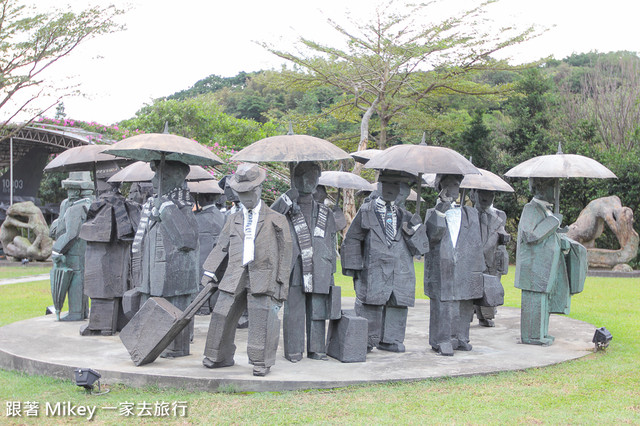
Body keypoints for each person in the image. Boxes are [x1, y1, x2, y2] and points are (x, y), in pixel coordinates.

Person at [202, 163, 292, 376]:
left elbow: (286, 253)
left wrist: (282, 284)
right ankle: (217, 356)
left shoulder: (276, 219)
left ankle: (261, 361)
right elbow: (221, 246)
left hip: (264, 277)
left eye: (249, 192)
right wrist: (208, 271)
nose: (245, 198)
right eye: (241, 194)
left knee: (262, 318)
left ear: (259, 189)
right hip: (234, 275)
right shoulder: (233, 219)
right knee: (222, 313)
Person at [341, 171, 428, 353]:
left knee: (397, 305)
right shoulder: (366, 210)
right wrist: (354, 269)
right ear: (379, 185)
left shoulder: (405, 215)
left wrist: (417, 229)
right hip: (374, 269)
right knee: (370, 304)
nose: (390, 189)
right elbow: (352, 239)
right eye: (386, 184)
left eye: (395, 186)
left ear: (401, 190)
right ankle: (366, 339)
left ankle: (391, 339)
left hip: (400, 272)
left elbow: (420, 249)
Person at [272, 162, 339, 362]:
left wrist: (332, 272)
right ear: (295, 179)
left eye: (312, 178)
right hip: (295, 266)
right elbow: (270, 219)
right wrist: (286, 199)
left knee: (317, 310)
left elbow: (331, 239)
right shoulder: (287, 207)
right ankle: (293, 349)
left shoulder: (325, 212)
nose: (307, 182)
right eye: (302, 177)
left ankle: (317, 348)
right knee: (294, 310)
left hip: (320, 266)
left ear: (317, 181)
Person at [131, 159, 199, 358]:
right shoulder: (152, 206)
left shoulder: (182, 206)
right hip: (153, 276)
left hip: (175, 275)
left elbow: (187, 240)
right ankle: (151, 344)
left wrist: (167, 209)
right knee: (150, 309)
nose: (155, 181)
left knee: (175, 310)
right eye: (156, 175)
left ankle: (175, 347)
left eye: (162, 177)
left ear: (176, 180)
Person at [515, 177, 587, 345]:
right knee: (535, 301)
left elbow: (546, 235)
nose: (557, 191)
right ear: (540, 187)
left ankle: (541, 333)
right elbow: (529, 235)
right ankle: (532, 336)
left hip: (546, 266)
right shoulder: (531, 208)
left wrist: (559, 233)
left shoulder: (545, 210)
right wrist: (553, 221)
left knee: (544, 302)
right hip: (533, 267)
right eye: (553, 186)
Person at [424, 174, 484, 356]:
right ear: (440, 187)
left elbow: (476, 241)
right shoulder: (432, 213)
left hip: (466, 266)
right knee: (444, 305)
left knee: (464, 304)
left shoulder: (471, 213)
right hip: (441, 266)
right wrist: (441, 209)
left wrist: (478, 269)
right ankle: (441, 340)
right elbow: (432, 237)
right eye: (447, 184)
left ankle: (461, 337)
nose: (452, 188)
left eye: (456, 184)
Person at [79, 181, 140, 335]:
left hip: (103, 255)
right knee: (113, 287)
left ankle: (101, 326)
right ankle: (117, 323)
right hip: (114, 255)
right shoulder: (123, 204)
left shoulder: (104, 204)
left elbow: (95, 231)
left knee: (102, 288)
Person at [50, 172, 94, 321]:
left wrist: (57, 250)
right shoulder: (76, 204)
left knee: (76, 279)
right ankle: (81, 312)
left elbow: (71, 234)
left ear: (76, 190)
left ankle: (76, 312)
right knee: (79, 278)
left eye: (70, 188)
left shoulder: (77, 208)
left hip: (75, 249)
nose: (68, 191)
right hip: (79, 250)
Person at [469, 188, 510, 327]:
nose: (487, 197)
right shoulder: (468, 214)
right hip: (472, 257)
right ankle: (467, 315)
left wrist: (504, 236)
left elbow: (501, 231)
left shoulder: (499, 215)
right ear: (473, 194)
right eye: (482, 193)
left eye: (491, 194)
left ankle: (486, 316)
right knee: (470, 287)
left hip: (491, 258)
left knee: (490, 288)